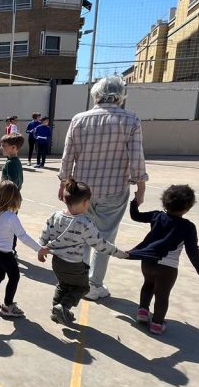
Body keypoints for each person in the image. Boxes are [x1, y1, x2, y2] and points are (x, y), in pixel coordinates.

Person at [58, 75, 148, 301]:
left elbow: (68, 155)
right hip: (114, 188)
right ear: (121, 95)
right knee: (105, 238)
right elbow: (136, 157)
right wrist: (140, 186)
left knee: (81, 233)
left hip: (82, 190)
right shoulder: (130, 120)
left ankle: (80, 280)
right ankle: (95, 285)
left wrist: (63, 183)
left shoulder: (79, 119)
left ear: (95, 94)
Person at [37, 178, 128, 328]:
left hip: (57, 262)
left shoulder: (54, 216)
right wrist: (119, 253)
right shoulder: (85, 223)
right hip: (74, 265)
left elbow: (43, 237)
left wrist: (40, 251)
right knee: (82, 288)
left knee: (63, 285)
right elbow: (100, 244)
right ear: (85, 203)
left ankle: (56, 310)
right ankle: (63, 307)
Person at [127, 184, 199, 335]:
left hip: (148, 261)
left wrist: (135, 201)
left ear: (164, 202)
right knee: (162, 295)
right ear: (188, 208)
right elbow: (192, 250)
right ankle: (157, 324)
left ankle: (143, 311)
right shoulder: (188, 227)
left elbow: (135, 216)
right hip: (167, 268)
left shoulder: (157, 216)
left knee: (148, 284)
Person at [0, 180, 42, 319]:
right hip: (5, 255)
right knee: (14, 277)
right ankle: (8, 306)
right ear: (13, 198)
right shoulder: (11, 217)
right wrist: (39, 249)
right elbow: (23, 236)